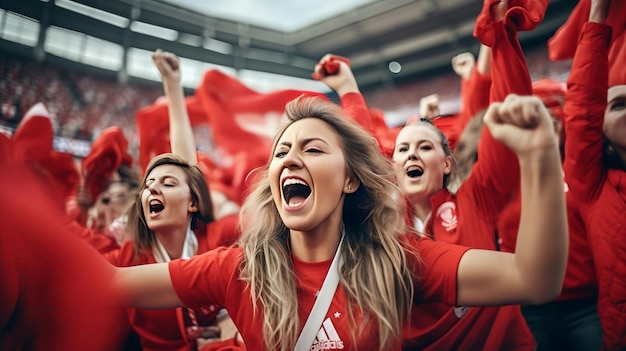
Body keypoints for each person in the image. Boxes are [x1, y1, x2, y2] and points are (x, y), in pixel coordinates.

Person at [112, 92, 567, 351]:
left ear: (350, 180)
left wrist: (541, 159)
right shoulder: (236, 268)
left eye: (311, 149)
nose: (290, 159)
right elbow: (106, 283)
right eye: (280, 152)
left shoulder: (398, 261)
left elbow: (534, 279)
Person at [100, 50, 244, 351]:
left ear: (193, 202)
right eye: (148, 185)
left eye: (167, 183)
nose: (152, 190)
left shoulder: (220, 239)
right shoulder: (126, 259)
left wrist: (173, 88)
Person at [559, 0, 626, 348]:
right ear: (601, 133)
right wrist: (597, 14)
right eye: (618, 105)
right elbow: (583, 109)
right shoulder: (595, 186)